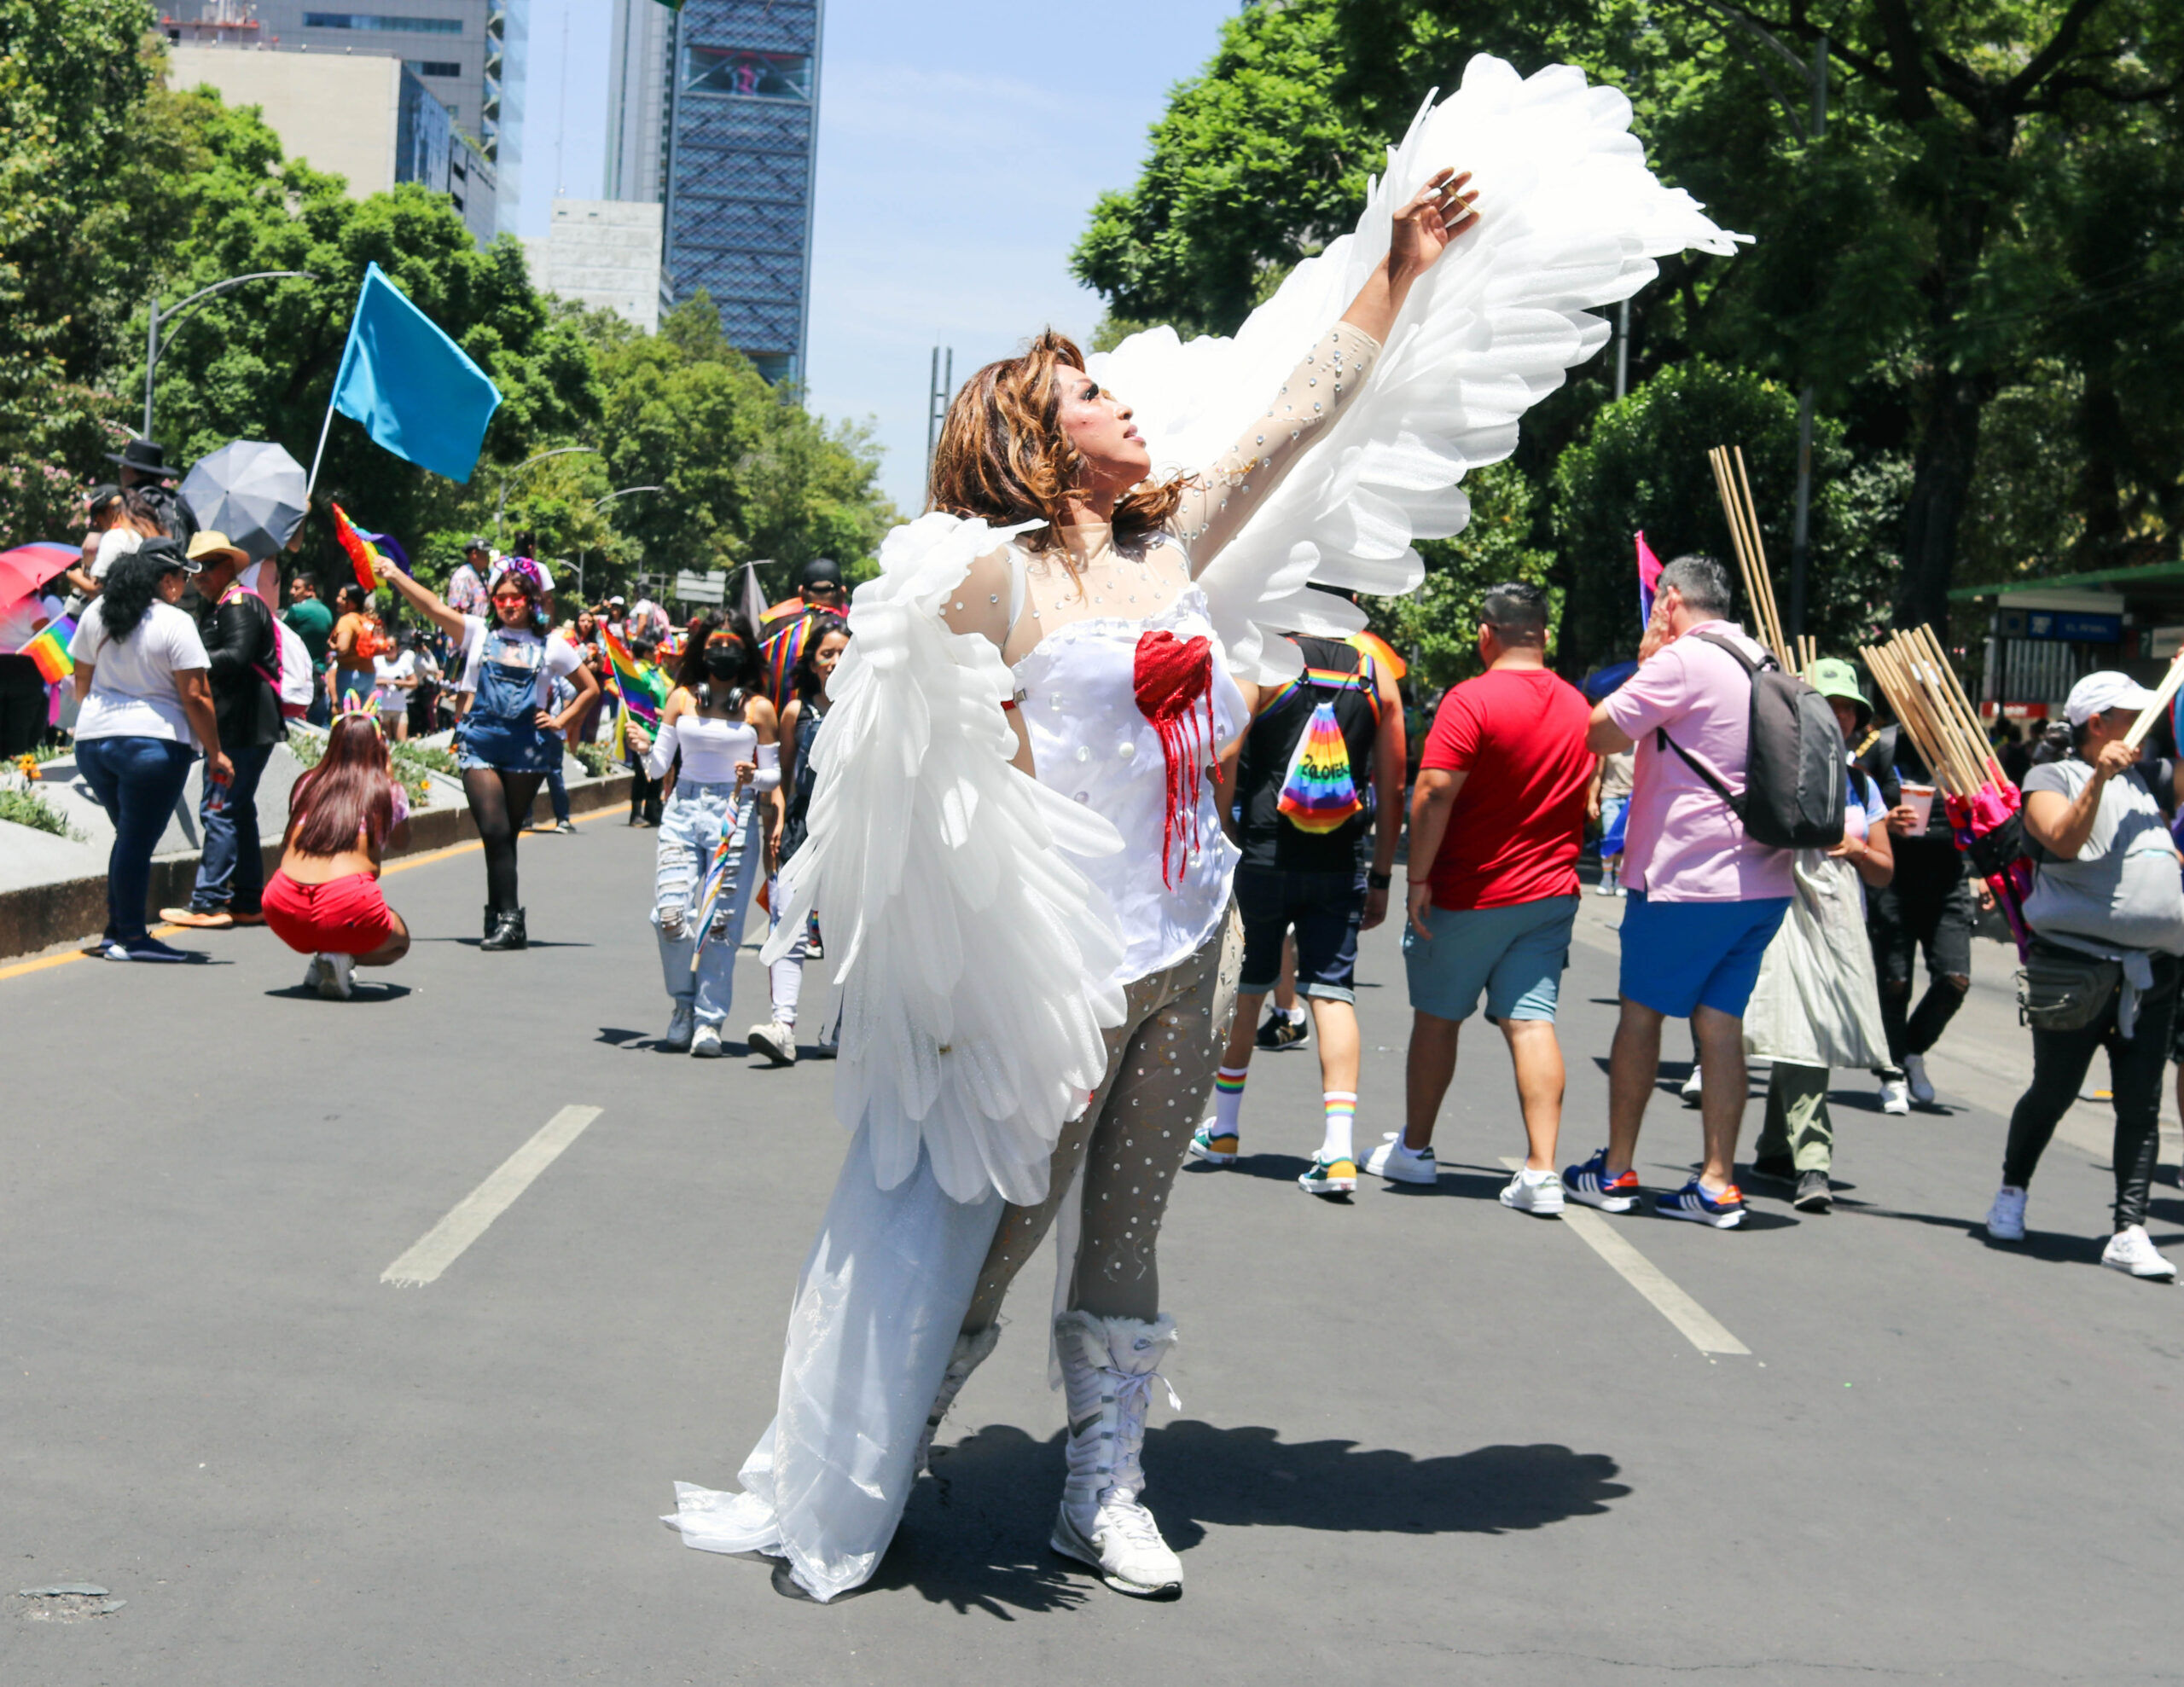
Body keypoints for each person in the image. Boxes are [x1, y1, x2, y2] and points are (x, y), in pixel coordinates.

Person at [665, 69, 1730, 1603]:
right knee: (1008, 1227)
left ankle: (1105, 1486)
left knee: (1135, 1224)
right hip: (1063, 972)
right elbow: (925, 744)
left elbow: (1309, 404)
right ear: (1042, 441)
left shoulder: (1172, 541)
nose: (1123, 403)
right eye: (1091, 394)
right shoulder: (987, 585)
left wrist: (1401, 266)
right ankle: (884, 1446)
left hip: (1192, 937)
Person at [1565, 554, 1796, 1230]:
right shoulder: (1764, 658)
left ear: (1669, 602)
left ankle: (1615, 1172)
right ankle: (1717, 1184)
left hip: (1688, 878)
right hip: (1763, 880)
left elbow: (1597, 731)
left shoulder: (1684, 660)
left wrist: (1646, 659)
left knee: (1640, 1016)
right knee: (1720, 1027)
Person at [1367, 582, 1593, 1213]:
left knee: (1438, 1018)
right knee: (1532, 1022)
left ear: (1484, 634)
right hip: (1550, 893)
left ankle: (1415, 1149)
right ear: (1543, 635)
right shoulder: (1579, 707)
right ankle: (1542, 1171)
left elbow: (1434, 789)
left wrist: (1416, 877)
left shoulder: (1471, 700)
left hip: (1470, 891)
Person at [1188, 617, 1404, 1196]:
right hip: (1338, 861)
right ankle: (1337, 1149)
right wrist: (1381, 873)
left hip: (1261, 856)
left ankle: (1226, 1130)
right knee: (1332, 993)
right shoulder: (1374, 673)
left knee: (1248, 988)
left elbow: (1226, 758)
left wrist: (1223, 842)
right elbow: (1394, 778)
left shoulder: (1265, 663)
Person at [1988, 669, 2184, 1281]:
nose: (2141, 726)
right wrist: (2100, 778)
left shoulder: (2154, 779)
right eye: (2132, 715)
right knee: (2055, 1090)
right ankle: (2012, 1191)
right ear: (2098, 723)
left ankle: (2129, 1228)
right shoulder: (2051, 776)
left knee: (2141, 1103)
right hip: (2075, 967)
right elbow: (2062, 842)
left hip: (2152, 971)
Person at [373, 553, 598, 950]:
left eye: (517, 598)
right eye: (501, 598)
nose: (509, 605)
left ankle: (500, 915)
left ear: (531, 602)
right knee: (493, 829)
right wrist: (395, 576)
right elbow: (434, 606)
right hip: (480, 740)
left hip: (527, 748)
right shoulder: (478, 632)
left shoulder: (553, 645)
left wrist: (561, 722)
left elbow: (590, 689)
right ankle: (510, 920)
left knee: (506, 834)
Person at [1743, 659, 1894, 1213]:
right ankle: (1814, 1162)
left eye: (1848, 708)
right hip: (1780, 910)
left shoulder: (1863, 785)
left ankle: (1773, 1149)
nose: (1840, 716)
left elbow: (1883, 868)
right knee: (1804, 1028)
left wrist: (1856, 850)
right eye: (1827, 705)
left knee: (1806, 1027)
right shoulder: (1770, 769)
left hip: (1837, 920)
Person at [67, 542, 232, 962]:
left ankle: (115, 930)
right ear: (165, 580)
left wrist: (94, 721)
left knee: (129, 838)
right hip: (152, 745)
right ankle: (133, 938)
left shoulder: (96, 612)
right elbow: (195, 695)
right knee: (137, 841)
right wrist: (216, 752)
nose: (186, 585)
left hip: (94, 743)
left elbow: (80, 679)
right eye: (182, 577)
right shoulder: (175, 622)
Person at [643, 613, 780, 1057]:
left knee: (719, 927)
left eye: (732, 644)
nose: (723, 652)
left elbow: (774, 773)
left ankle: (708, 1021)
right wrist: (644, 747)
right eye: (715, 644)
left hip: (733, 812)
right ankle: (682, 1004)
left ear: (745, 651)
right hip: (682, 810)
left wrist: (754, 775)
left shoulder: (758, 708)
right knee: (670, 917)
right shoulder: (682, 697)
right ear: (702, 650)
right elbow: (658, 768)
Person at [160, 531, 285, 931]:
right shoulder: (219, 607)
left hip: (244, 726)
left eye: (208, 566)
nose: (199, 576)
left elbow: (235, 656)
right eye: (194, 568)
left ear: (230, 566)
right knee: (237, 810)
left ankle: (209, 902)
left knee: (218, 807)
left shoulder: (240, 604)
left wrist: (185, 662)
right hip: (241, 725)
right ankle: (248, 901)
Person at [1857, 716, 1974, 1115]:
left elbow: (1989, 810)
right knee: (1895, 980)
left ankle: (1911, 1049)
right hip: (1894, 880)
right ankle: (1892, 1075)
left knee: (1954, 978)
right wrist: (1884, 822)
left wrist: (1991, 874)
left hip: (1948, 878)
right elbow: (1852, 799)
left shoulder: (1964, 747)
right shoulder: (1882, 744)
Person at [748, 613, 848, 1066]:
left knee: (846, 936)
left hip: (850, 836)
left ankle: (842, 1027)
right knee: (787, 925)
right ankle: (782, 1026)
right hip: (799, 833)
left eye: (844, 653)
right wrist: (775, 821)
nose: (835, 661)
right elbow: (783, 778)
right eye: (827, 653)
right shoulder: (795, 712)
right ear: (811, 662)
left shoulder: (868, 709)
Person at [262, 712, 413, 1000]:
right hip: (348, 906)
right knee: (399, 943)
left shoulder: (307, 784)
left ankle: (326, 961)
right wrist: (390, 779)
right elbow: (401, 842)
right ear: (378, 748)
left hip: (282, 904)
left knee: (327, 920)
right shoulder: (388, 791)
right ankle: (340, 958)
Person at [621, 635, 667, 827]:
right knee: (642, 774)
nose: (657, 653)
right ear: (646, 652)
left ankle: (652, 811)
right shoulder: (639, 672)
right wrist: (664, 713)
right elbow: (639, 703)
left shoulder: (654, 671)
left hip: (658, 730)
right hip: (643, 730)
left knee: (656, 773)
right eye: (653, 650)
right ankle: (636, 813)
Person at [107, 438, 190, 541]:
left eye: (123, 466)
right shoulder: (176, 501)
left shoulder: (122, 501)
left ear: (129, 470)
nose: (121, 470)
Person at [282, 574, 334, 728]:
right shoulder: (327, 612)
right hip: (320, 674)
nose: (292, 592)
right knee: (318, 725)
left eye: (297, 588)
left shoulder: (296, 611)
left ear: (310, 590)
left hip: (299, 674)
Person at [329, 584, 381, 713]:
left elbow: (342, 648)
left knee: (348, 717)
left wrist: (330, 644)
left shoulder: (347, 620)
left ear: (352, 602)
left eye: (343, 598)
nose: (338, 600)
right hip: (369, 675)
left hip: (350, 674)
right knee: (361, 718)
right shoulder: (366, 619)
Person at [371, 632, 417, 741]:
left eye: (391, 647)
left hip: (399, 707)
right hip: (381, 707)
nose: (388, 649)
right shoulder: (377, 661)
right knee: (384, 741)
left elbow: (414, 683)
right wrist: (382, 681)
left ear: (398, 648)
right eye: (386, 646)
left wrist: (399, 683)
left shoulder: (404, 663)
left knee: (401, 741)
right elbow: (369, 680)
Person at [446, 537, 491, 621]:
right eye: (485, 554)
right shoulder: (463, 576)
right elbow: (457, 611)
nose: (487, 557)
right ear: (474, 554)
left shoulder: (480, 575)